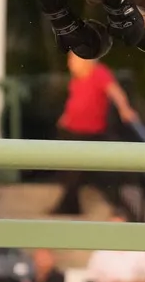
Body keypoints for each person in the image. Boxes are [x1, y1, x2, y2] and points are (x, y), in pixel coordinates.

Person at [55, 50, 138, 213]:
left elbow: (115, 92)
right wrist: (65, 117)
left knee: (82, 172)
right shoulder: (77, 80)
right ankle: (69, 207)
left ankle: (70, 208)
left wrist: (125, 109)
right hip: (72, 131)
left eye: (73, 59)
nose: (69, 63)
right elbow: (75, 101)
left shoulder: (99, 73)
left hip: (89, 133)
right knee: (70, 172)